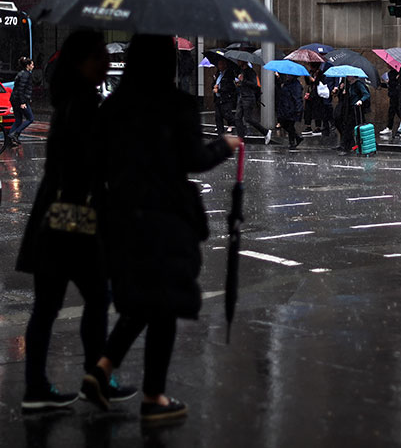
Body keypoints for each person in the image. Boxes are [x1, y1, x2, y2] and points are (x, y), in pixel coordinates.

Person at [90, 35, 239, 422]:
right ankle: (153, 395)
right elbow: (194, 158)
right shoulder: (176, 105)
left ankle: (104, 366)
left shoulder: (113, 107)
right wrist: (223, 145)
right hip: (164, 217)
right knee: (165, 302)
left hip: (121, 215)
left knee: (142, 298)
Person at [16, 32, 136, 412]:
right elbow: (95, 163)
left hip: (57, 219)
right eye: (100, 54)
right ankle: (92, 377)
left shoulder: (71, 100)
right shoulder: (82, 105)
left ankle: (46, 383)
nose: (106, 61)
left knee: (52, 305)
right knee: (96, 299)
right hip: (73, 222)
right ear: (83, 61)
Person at [234, 59, 271, 144]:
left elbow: (254, 84)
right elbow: (244, 84)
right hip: (242, 97)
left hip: (248, 97)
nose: (238, 62)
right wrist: (239, 83)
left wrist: (243, 80)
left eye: (239, 61)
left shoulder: (251, 72)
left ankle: (266, 132)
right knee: (237, 117)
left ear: (244, 61)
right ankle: (240, 139)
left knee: (248, 118)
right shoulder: (241, 71)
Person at [338, 74, 370, 152]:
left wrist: (360, 101)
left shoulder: (358, 84)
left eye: (349, 76)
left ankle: (348, 145)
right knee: (348, 127)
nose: (347, 77)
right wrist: (341, 89)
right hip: (350, 109)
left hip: (356, 109)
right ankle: (349, 145)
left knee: (352, 127)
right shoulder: (348, 85)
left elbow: (366, 94)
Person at [9, 56, 35, 145]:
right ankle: (15, 134)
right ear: (28, 65)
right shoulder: (26, 74)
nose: (33, 66)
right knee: (30, 118)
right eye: (32, 64)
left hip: (15, 99)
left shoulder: (21, 73)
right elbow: (21, 89)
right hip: (19, 100)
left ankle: (10, 139)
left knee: (18, 120)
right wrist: (23, 102)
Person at [276, 73, 304, 149]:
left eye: (289, 75)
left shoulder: (296, 85)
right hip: (285, 107)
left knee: (290, 125)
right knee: (286, 124)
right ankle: (296, 139)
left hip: (291, 108)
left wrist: (298, 109)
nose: (288, 76)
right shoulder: (287, 83)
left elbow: (297, 98)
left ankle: (292, 142)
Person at [212, 57, 238, 137]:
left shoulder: (229, 74)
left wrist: (219, 89)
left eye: (220, 64)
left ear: (224, 65)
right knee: (218, 117)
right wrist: (214, 86)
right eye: (218, 64)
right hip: (218, 99)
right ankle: (220, 136)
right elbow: (213, 84)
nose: (219, 66)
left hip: (226, 99)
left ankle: (239, 125)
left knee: (227, 115)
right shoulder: (218, 74)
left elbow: (229, 87)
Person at [381, 67, 401, 136]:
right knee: (396, 112)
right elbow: (390, 85)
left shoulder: (398, 73)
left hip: (397, 95)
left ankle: (389, 127)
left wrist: (389, 82)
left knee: (395, 112)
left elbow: (394, 84)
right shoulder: (391, 73)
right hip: (393, 95)